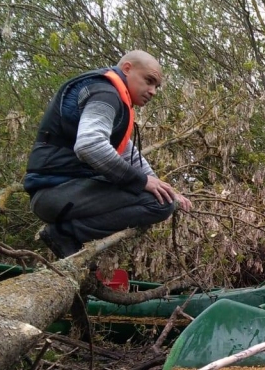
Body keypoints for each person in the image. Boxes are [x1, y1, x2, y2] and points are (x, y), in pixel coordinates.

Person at [23, 50, 192, 258]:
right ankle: (65, 234)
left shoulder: (111, 95)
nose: (153, 91)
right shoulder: (105, 94)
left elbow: (128, 154)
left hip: (61, 193)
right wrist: (140, 181)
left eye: (156, 86)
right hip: (54, 193)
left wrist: (166, 190)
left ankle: (70, 237)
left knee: (162, 198)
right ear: (127, 69)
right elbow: (89, 145)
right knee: (159, 205)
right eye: (149, 81)